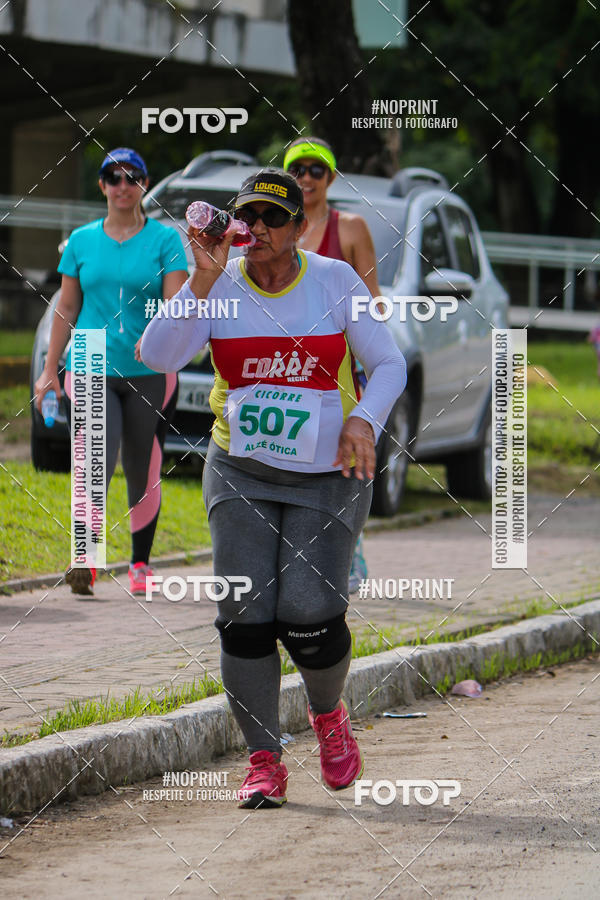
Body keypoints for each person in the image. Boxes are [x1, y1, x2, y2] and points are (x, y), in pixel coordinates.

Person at [140, 168, 406, 809]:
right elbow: (158, 355)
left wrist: (364, 421)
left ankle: (327, 716)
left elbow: (389, 363)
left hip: (326, 476)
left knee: (310, 616)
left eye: (272, 218)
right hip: (241, 470)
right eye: (246, 216)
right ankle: (264, 760)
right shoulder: (221, 285)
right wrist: (201, 279)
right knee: (244, 618)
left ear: (297, 227)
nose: (255, 228)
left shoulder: (334, 281)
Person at [34, 148, 188, 596]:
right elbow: (66, 307)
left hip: (149, 363)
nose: (123, 186)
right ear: (102, 186)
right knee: (94, 459)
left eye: (132, 177)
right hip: (90, 355)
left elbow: (177, 305)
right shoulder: (81, 241)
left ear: (143, 184)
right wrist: (48, 369)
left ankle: (140, 563)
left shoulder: (164, 240)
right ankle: (86, 557)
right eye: (113, 178)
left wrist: (161, 338)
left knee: (143, 462)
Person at [283, 137, 382, 593]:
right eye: (297, 169)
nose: (306, 177)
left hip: (341, 366)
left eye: (315, 170)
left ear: (331, 178)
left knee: (346, 456)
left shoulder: (352, 228)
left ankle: (350, 544)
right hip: (285, 364)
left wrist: (374, 362)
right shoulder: (275, 226)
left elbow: (372, 302)